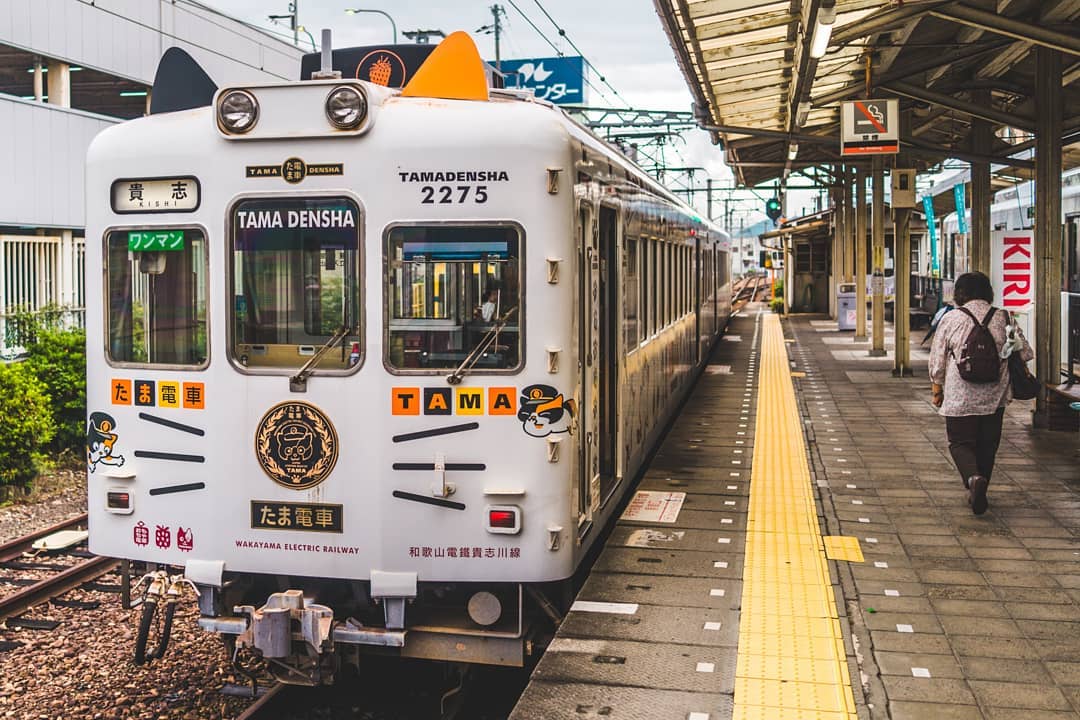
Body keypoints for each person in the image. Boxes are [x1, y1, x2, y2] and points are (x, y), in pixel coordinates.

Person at [928, 271, 1033, 515]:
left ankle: (974, 479)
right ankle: (981, 484)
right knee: (988, 444)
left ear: (960, 293)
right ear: (988, 291)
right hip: (994, 396)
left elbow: (938, 358)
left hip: (959, 395)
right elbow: (1024, 352)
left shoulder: (952, 318)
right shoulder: (1003, 316)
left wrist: (937, 388)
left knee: (959, 442)